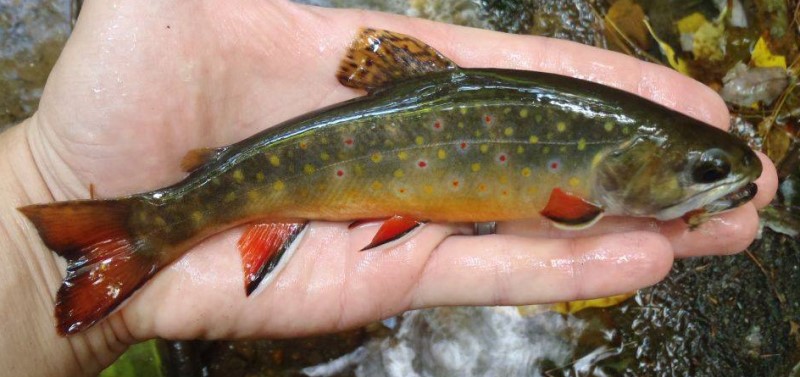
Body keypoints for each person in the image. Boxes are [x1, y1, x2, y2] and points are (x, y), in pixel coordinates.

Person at [0, 1, 778, 376]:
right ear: (627, 162)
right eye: (704, 171)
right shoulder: (586, 190)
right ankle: (133, 231)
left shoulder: (598, 176)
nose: (716, 183)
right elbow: (567, 213)